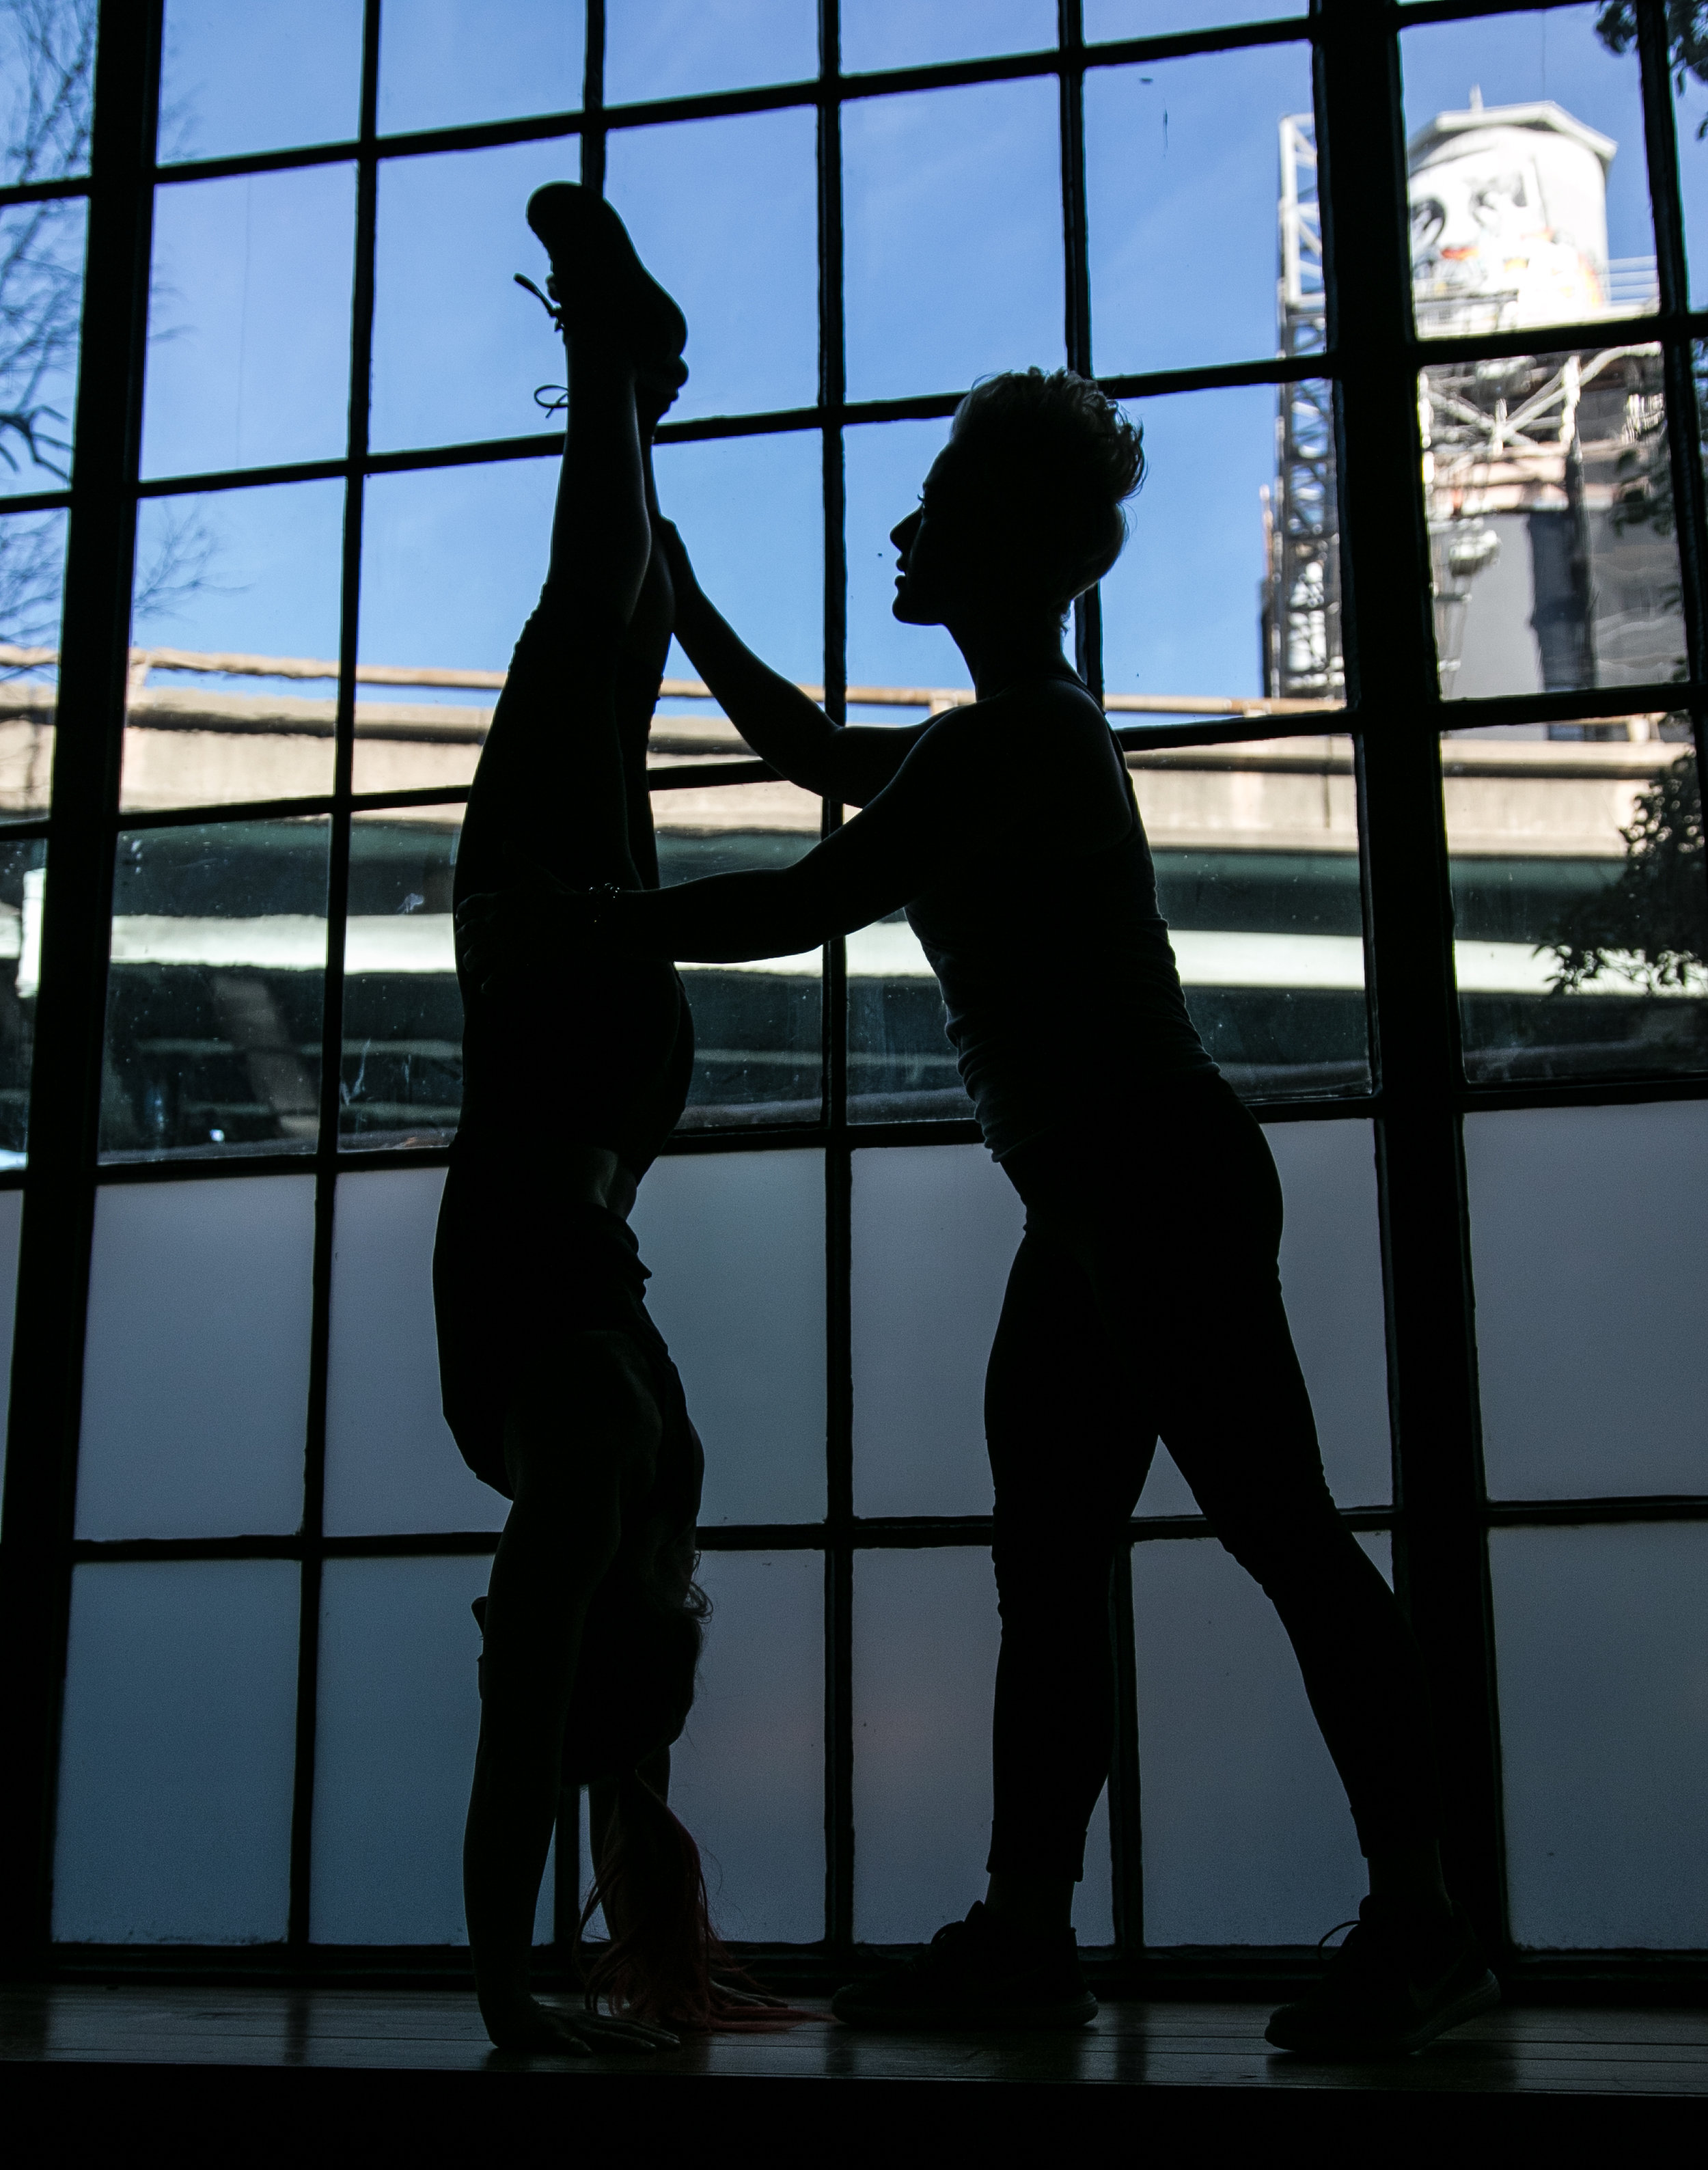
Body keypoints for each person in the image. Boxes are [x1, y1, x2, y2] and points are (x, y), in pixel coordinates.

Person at [471, 362, 1502, 2058]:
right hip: (1106, 1196)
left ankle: (1420, 1917)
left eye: (934, 508)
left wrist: (579, 923)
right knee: (1074, 1571)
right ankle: (1039, 1927)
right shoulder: (1003, 739)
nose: (902, 525)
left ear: (1004, 542)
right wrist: (681, 585)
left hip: (1145, 1187)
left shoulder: (1020, 740)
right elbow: (814, 756)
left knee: (1280, 1544)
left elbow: (816, 888)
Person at [437, 182, 765, 2055]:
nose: (503, 1624)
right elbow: (546, 1757)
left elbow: (557, 1743)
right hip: (575, 1047)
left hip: (593, 1064)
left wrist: (533, 1983)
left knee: (597, 656)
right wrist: (518, 1996)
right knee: (591, 649)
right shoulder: (596, 1470)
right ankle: (608, 353)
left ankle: (619, 365)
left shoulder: (614, 1490)